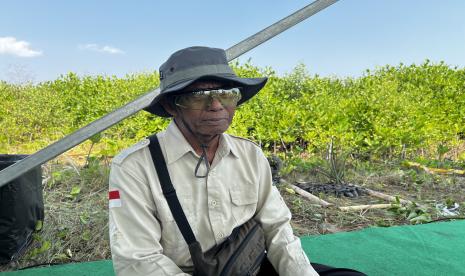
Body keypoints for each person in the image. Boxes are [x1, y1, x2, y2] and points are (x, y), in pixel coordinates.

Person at [108, 46, 319, 275]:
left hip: (246, 265)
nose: (217, 106)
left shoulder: (250, 155)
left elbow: (277, 228)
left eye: (226, 94)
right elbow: (139, 260)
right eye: (199, 97)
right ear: (171, 106)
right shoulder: (134, 167)